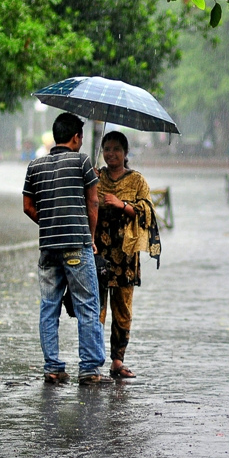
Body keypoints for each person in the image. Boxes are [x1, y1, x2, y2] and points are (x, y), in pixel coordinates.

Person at [22, 112, 112, 386]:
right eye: (81, 138)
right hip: (77, 245)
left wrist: (49, 223)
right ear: (76, 137)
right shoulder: (82, 162)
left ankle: (53, 367)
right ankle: (89, 369)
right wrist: (90, 237)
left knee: (49, 307)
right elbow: (93, 204)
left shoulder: (34, 165)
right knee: (87, 305)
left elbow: (27, 206)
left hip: (48, 248)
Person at [95, 131, 161, 379]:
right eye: (107, 149)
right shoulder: (95, 177)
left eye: (116, 149)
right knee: (96, 308)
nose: (111, 154)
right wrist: (88, 181)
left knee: (122, 309)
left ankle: (117, 361)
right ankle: (93, 361)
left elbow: (148, 213)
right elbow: (85, 204)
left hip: (126, 256)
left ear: (125, 153)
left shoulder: (137, 181)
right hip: (99, 253)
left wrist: (121, 205)